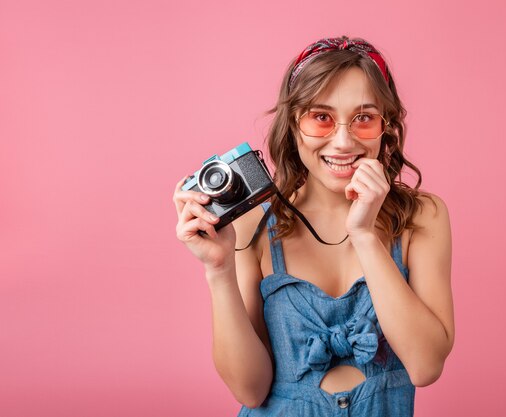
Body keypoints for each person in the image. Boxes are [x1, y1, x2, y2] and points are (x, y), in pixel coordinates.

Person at [173, 36, 454, 416]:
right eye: (321, 117)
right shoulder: (254, 223)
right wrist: (218, 269)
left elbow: (425, 366)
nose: (342, 141)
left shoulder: (423, 217)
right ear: (293, 123)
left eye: (364, 118)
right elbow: (249, 390)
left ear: (385, 126)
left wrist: (365, 235)